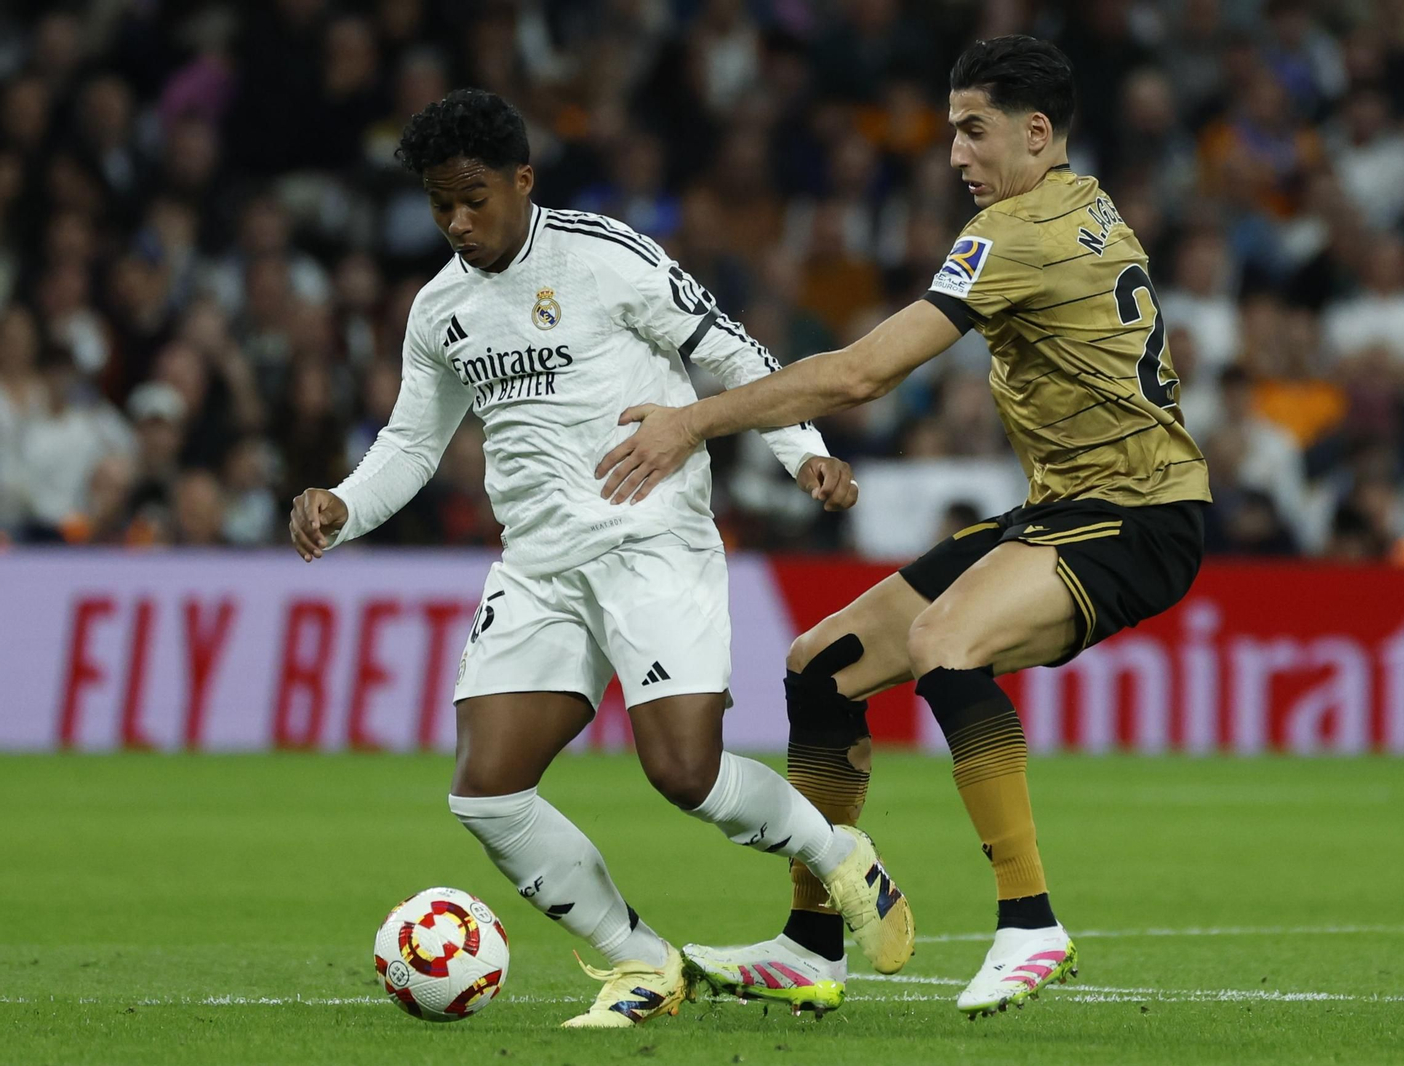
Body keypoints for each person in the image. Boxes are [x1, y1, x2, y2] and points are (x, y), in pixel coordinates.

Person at [598, 36, 1211, 1017]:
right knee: (820, 665)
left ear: (1036, 133)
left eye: (974, 131)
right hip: (1068, 507)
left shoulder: (1014, 233)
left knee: (943, 643)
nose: (955, 154)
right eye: (951, 131)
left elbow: (860, 373)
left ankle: (1029, 921)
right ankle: (810, 942)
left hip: (1136, 515)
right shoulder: (1084, 202)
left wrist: (692, 422)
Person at [285, 89, 912, 1029]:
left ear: (522, 181)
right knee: (487, 793)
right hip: (539, 566)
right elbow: (413, 445)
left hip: (650, 538)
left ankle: (836, 854)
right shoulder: (439, 310)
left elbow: (730, 352)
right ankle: (641, 961)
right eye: (439, 204)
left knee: (682, 773)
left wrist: (804, 453)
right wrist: (343, 503)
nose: (457, 221)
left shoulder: (604, 256)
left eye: (474, 198)